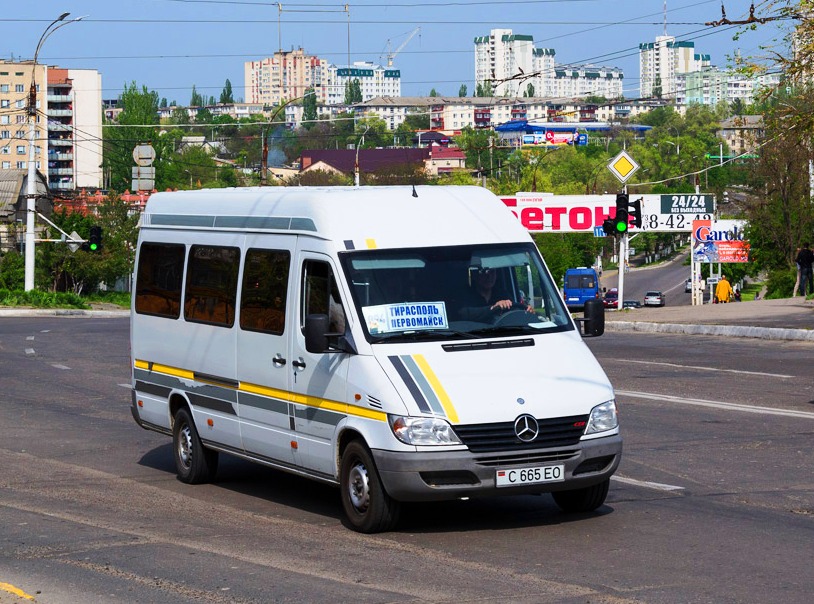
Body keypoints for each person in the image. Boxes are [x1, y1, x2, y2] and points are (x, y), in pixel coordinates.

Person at [458, 268, 532, 322]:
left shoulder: (502, 294)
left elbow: (513, 311)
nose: (489, 276)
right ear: (474, 275)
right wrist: (493, 308)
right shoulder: (465, 295)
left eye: (492, 272)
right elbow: (462, 314)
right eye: (484, 272)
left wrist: (526, 311)